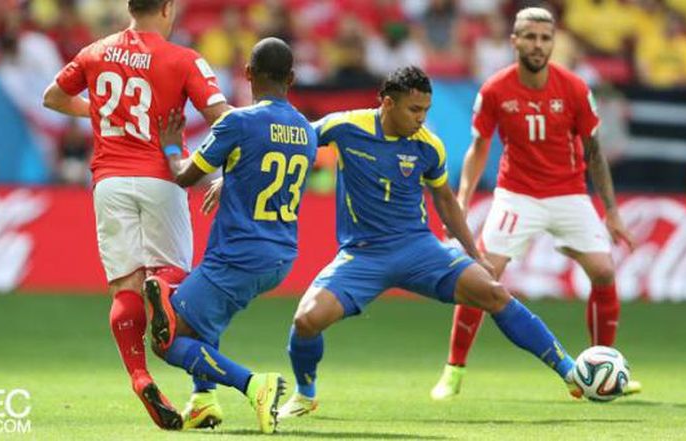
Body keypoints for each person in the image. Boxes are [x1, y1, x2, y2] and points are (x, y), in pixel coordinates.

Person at [277, 65, 587, 419]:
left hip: (418, 249)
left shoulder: (428, 146)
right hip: (363, 255)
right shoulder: (345, 126)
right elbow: (293, 143)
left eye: (426, 110)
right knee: (306, 320)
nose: (421, 118)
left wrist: (475, 255)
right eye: (414, 110)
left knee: (495, 292)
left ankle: (570, 371)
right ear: (388, 103)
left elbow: (445, 201)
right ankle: (305, 394)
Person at [429, 7, 642, 401]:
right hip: (517, 194)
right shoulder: (495, 89)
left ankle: (605, 364)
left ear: (553, 42)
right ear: (515, 41)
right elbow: (479, 148)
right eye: (530, 37)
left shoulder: (575, 88)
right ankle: (453, 371)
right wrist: (460, 198)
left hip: (569, 193)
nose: (538, 45)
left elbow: (594, 152)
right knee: (483, 276)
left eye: (545, 38)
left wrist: (611, 210)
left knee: (604, 272)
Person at [42, 0, 229, 430]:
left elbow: (53, 97)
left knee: (124, 285)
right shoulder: (183, 59)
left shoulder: (95, 51)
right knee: (173, 277)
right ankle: (161, 292)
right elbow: (221, 118)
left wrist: (104, 114)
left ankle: (139, 375)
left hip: (108, 181)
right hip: (162, 178)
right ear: (166, 8)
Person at [145, 37, 317, 434]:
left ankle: (254, 385)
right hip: (281, 256)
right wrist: (231, 178)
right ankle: (204, 401)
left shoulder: (238, 123)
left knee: (167, 338)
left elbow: (185, 175)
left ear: (248, 74)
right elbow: (269, 171)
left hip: (239, 253)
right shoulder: (307, 132)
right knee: (203, 326)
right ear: (291, 78)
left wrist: (173, 147)